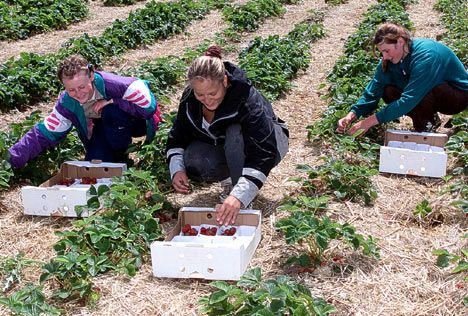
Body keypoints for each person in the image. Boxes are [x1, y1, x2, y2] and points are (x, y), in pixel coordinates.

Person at [166, 45, 289, 226]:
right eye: (200, 94)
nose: (207, 100)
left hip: (269, 144)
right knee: (193, 158)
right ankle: (232, 180)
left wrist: (239, 196)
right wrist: (177, 169)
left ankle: (241, 193)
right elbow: (177, 136)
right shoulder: (189, 100)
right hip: (225, 146)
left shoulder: (245, 99)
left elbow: (262, 152)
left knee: (235, 132)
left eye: (212, 93)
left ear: (224, 81)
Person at [8, 55, 161, 168]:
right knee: (94, 165)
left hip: (135, 122)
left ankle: (121, 151)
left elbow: (148, 108)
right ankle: (117, 159)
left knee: (110, 112)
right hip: (103, 127)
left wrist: (114, 101)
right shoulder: (67, 103)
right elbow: (44, 133)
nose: (78, 93)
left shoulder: (118, 85)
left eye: (82, 87)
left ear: (92, 76)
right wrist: (10, 158)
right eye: (71, 90)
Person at [337, 22, 467, 135]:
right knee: (388, 91)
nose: (385, 56)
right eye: (382, 52)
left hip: (456, 96)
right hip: (430, 92)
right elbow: (373, 91)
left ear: (400, 41)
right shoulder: (390, 61)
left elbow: (409, 98)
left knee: (419, 91)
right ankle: (428, 121)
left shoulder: (426, 56)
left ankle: (426, 129)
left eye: (386, 51)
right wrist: (351, 116)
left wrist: (368, 122)